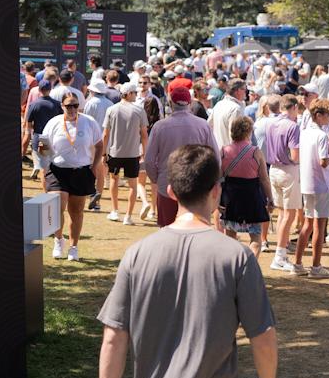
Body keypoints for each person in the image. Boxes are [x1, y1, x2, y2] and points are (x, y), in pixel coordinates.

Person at [94, 144, 278, 378]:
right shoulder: (237, 257)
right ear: (216, 190)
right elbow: (263, 336)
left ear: (171, 192)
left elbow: (114, 335)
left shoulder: (137, 254)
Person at [41, 92, 106, 262]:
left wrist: (94, 166)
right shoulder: (53, 123)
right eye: (68, 106)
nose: (72, 109)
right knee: (57, 206)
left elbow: (100, 145)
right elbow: (43, 146)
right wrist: (43, 160)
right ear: (62, 106)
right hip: (57, 171)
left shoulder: (89, 122)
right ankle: (58, 240)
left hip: (81, 171)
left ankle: (73, 247)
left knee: (76, 211)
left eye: (75, 105)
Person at [144, 85, 218, 228]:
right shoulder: (203, 125)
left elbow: (149, 161)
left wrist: (157, 179)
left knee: (167, 231)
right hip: (196, 187)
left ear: (171, 103)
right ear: (189, 103)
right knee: (195, 231)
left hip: (167, 184)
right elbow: (215, 158)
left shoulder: (160, 126)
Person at [294, 99, 329, 278]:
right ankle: (316, 266)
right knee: (319, 225)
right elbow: (323, 161)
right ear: (318, 115)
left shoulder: (304, 132)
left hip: (307, 182)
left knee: (308, 224)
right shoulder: (320, 135)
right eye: (327, 114)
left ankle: (297, 264)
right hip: (320, 184)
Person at [219, 115, 271, 257]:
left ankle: (232, 266)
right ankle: (250, 266)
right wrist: (270, 199)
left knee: (230, 237)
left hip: (230, 198)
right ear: (248, 132)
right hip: (252, 198)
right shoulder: (255, 152)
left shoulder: (223, 151)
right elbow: (264, 180)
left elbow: (218, 179)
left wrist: (217, 201)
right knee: (255, 238)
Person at [264, 95, 305, 273]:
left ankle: (280, 254)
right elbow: (295, 156)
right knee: (289, 215)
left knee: (283, 214)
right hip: (288, 170)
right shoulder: (292, 126)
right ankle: (280, 256)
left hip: (274, 169)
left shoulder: (270, 123)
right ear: (294, 107)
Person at [102, 83, 150, 225]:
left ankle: (115, 211)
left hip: (115, 153)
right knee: (132, 185)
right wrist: (145, 153)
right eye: (134, 92)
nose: (136, 94)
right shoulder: (139, 110)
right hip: (132, 153)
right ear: (128, 94)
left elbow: (105, 134)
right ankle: (128, 216)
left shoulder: (111, 109)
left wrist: (104, 153)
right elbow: (144, 135)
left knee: (114, 180)